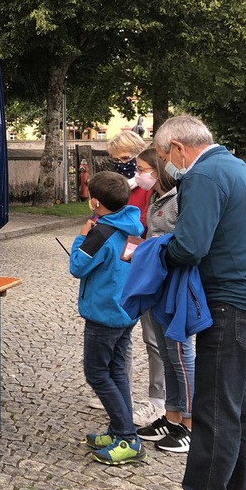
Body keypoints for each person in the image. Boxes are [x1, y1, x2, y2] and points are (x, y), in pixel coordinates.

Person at [147, 116, 246, 490]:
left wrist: (154, 255)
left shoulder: (203, 175)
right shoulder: (238, 168)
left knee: (214, 413)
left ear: (178, 148)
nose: (167, 165)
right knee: (237, 411)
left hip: (230, 306)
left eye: (165, 156)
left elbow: (189, 247)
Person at [69, 170, 146, 465]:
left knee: (97, 373)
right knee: (116, 372)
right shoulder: (133, 226)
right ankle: (118, 430)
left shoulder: (99, 233)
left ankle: (127, 436)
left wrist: (81, 237)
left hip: (104, 314)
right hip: (125, 310)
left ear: (96, 202)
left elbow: (78, 267)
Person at [132, 147, 195, 454]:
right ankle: (171, 417)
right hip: (156, 282)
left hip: (174, 284)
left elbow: (184, 242)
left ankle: (191, 425)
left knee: (180, 354)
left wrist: (152, 249)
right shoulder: (156, 198)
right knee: (167, 354)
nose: (137, 175)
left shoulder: (179, 198)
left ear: (157, 170)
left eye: (141, 169)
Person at [105, 129, 165, 429]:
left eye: (127, 159)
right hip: (124, 269)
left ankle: (159, 399)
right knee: (121, 334)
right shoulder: (122, 187)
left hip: (146, 267)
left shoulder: (152, 189)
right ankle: (121, 392)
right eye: (116, 160)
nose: (122, 165)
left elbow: (146, 227)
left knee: (154, 338)